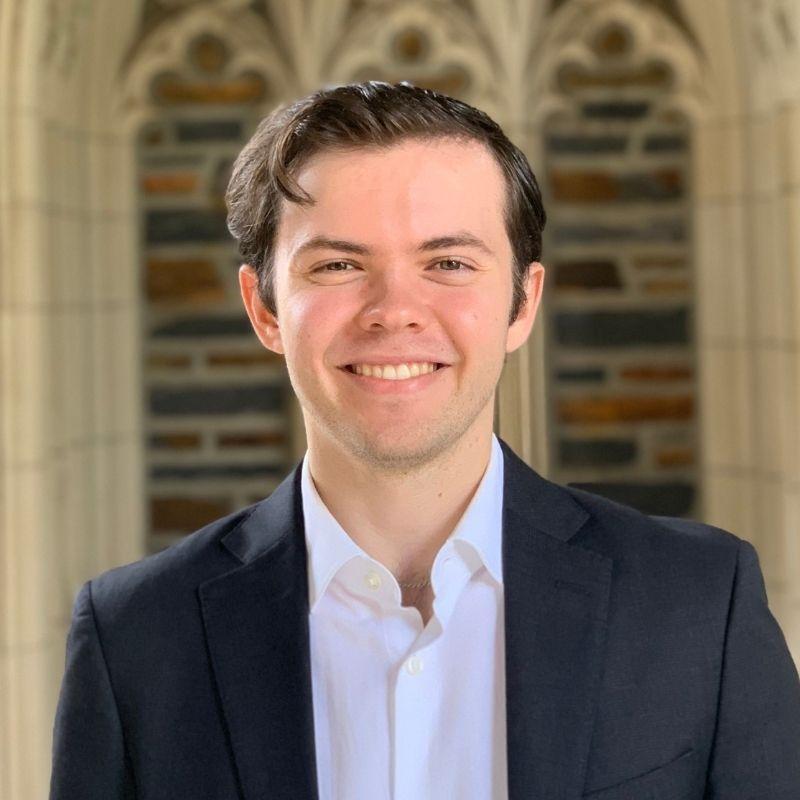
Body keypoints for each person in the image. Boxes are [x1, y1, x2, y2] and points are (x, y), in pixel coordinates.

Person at [50, 81, 800, 800]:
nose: (394, 311)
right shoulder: (136, 641)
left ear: (522, 302)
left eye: (448, 263)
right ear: (265, 308)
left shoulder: (700, 606)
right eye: (340, 265)